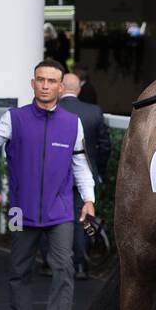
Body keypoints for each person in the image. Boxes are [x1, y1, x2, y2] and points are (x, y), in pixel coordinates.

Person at [0, 59, 95, 310]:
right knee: (18, 269)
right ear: (32, 83)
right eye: (40, 79)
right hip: (18, 210)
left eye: (51, 81)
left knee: (63, 269)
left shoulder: (72, 123)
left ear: (61, 87)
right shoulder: (14, 118)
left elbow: (80, 166)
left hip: (61, 210)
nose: (45, 85)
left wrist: (89, 199)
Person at [59, 72, 110, 279]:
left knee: (52, 217)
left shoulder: (52, 109)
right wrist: (99, 170)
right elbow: (105, 146)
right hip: (86, 173)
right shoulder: (93, 112)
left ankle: (49, 262)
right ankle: (80, 265)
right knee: (84, 220)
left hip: (56, 177)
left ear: (61, 87)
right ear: (78, 89)